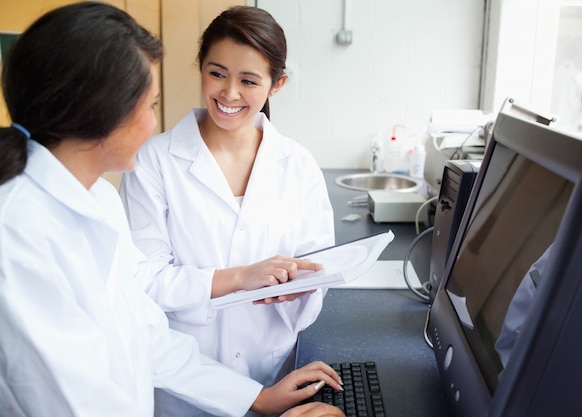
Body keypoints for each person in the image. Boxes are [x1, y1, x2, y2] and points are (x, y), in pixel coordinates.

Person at [0, 3, 344, 417]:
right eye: (149, 105)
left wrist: (257, 398)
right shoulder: (16, 234)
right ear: (99, 112)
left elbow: (148, 336)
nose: (153, 122)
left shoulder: (98, 201)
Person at [119, 6, 335, 417]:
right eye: (217, 73)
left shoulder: (298, 164)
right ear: (201, 68)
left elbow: (319, 264)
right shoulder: (155, 161)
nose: (229, 93)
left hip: (274, 373)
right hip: (182, 391)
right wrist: (238, 278)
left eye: (249, 80)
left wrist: (302, 287)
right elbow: (142, 280)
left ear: (277, 85)